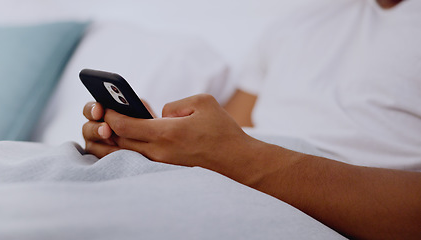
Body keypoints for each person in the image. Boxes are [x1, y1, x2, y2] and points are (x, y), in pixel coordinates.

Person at [82, 0, 421, 239]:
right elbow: (227, 135)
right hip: (222, 187)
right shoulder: (299, 21)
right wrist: (154, 144)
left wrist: (242, 160)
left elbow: (232, 151)